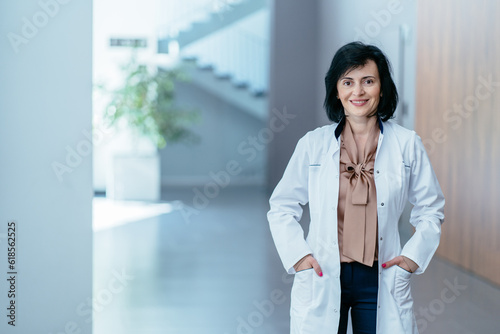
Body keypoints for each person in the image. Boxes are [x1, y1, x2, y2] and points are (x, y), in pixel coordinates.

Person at [267, 41, 445, 334]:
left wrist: (413, 258)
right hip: (324, 272)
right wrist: (298, 256)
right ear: (336, 90)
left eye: (368, 81)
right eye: (347, 82)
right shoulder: (313, 144)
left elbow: (431, 207)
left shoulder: (406, 144)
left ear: (382, 88)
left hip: (381, 275)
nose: (358, 92)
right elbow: (282, 206)